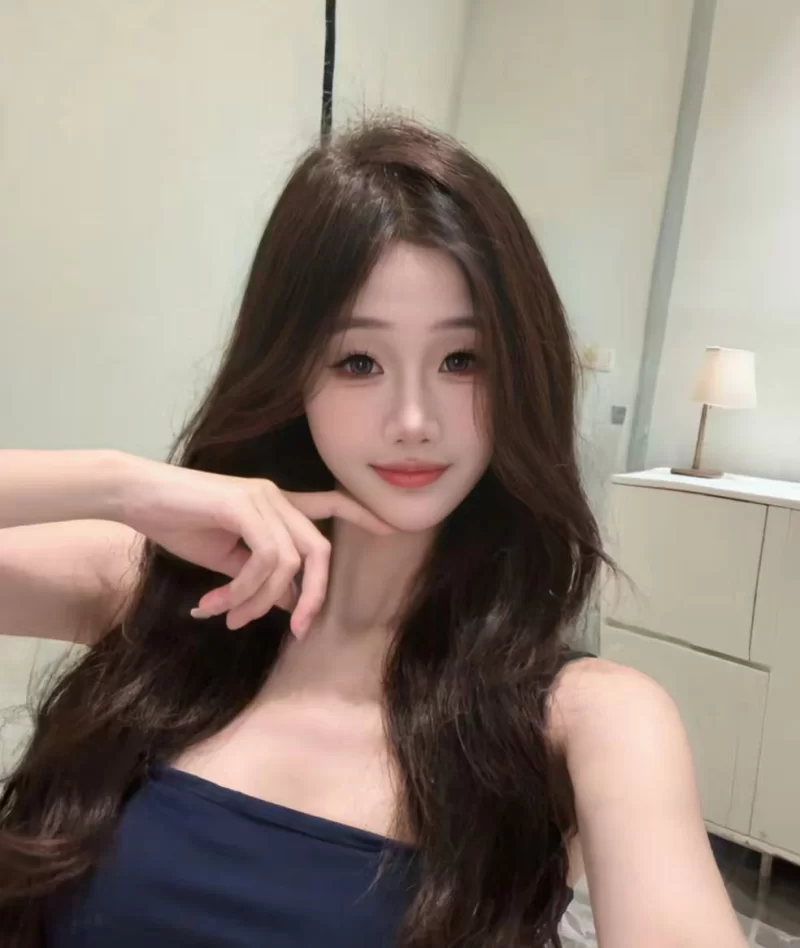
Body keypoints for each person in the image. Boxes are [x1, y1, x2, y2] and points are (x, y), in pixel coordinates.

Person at [0, 118, 746, 948]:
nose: (413, 420)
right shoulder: (152, 592)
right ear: (293, 375)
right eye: (358, 362)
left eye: (462, 361)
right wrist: (122, 484)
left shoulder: (587, 719)